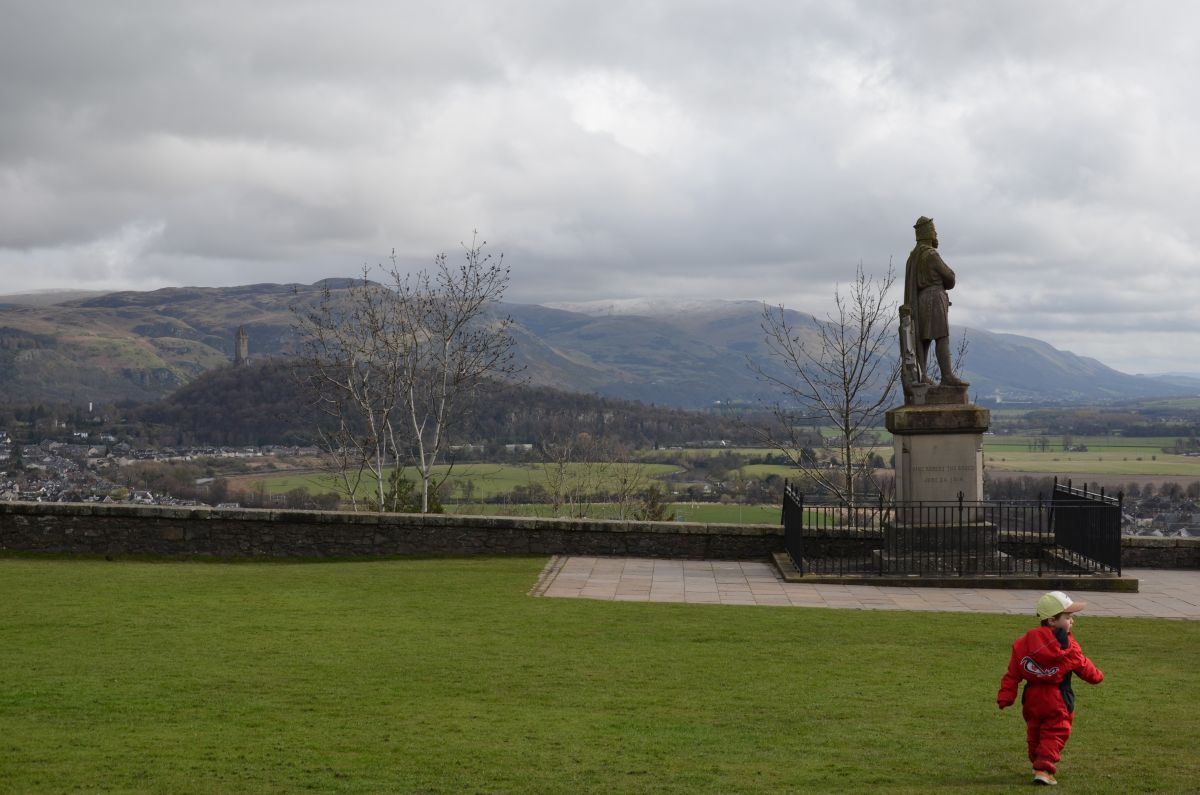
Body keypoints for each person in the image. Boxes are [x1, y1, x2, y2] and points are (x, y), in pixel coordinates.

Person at [997, 591, 1104, 786]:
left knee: (1035, 731)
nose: (1072, 622)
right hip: (1057, 699)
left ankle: (1036, 760)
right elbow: (1084, 668)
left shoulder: (1023, 644)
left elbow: (1012, 674)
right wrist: (1098, 676)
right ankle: (1044, 769)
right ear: (1052, 621)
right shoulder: (1069, 647)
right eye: (1068, 617)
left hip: (1032, 698)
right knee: (1055, 732)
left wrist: (1006, 695)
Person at [903, 216, 966, 386]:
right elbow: (950, 278)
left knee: (923, 339)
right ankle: (947, 376)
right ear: (929, 233)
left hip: (921, 300)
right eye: (935, 231)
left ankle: (922, 375)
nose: (936, 234)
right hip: (935, 298)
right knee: (941, 337)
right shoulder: (930, 254)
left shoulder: (913, 257)